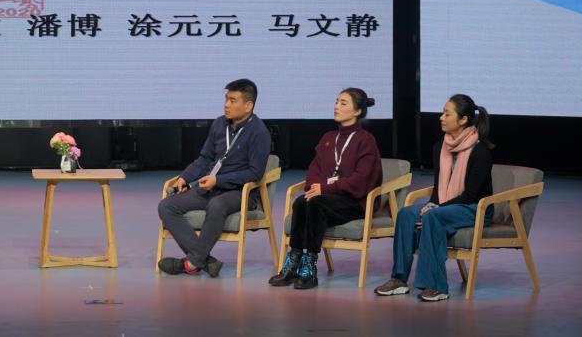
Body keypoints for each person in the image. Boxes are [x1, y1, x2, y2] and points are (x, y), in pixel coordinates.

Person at [375, 94, 494, 302]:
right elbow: (439, 187)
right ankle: (399, 279)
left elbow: (470, 195)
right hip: (447, 205)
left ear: (463, 119)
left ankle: (437, 286)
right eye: (442, 113)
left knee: (433, 216)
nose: (441, 117)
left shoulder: (480, 151)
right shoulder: (440, 147)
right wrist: (432, 203)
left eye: (447, 114)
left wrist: (435, 209)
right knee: (406, 214)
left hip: (474, 208)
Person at [269, 88, 382, 289]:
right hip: (328, 198)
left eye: (343, 103)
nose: (336, 106)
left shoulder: (366, 140)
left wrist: (326, 188)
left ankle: (309, 265)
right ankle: (294, 259)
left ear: (357, 111)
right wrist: (317, 187)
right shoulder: (328, 137)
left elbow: (362, 180)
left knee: (316, 204)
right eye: (336, 101)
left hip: (355, 201)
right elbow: (315, 170)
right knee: (302, 202)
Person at [157, 78, 271, 278]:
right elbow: (205, 159)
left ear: (248, 106)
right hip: (211, 188)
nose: (226, 104)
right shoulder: (219, 124)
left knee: (216, 205)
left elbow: (255, 173)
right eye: (226, 99)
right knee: (166, 206)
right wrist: (184, 178)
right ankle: (204, 261)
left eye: (232, 100)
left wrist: (219, 181)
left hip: (240, 192)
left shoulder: (259, 132)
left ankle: (191, 263)